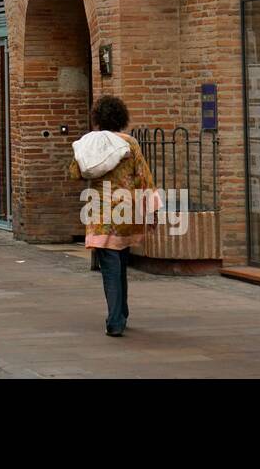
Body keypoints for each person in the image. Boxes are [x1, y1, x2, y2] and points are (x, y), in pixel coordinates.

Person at [67, 95, 159, 338]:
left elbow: (75, 172)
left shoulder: (91, 143)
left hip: (101, 213)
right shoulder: (130, 144)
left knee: (110, 266)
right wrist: (152, 209)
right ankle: (123, 312)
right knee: (120, 263)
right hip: (127, 211)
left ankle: (115, 320)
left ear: (97, 118)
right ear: (121, 117)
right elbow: (144, 178)